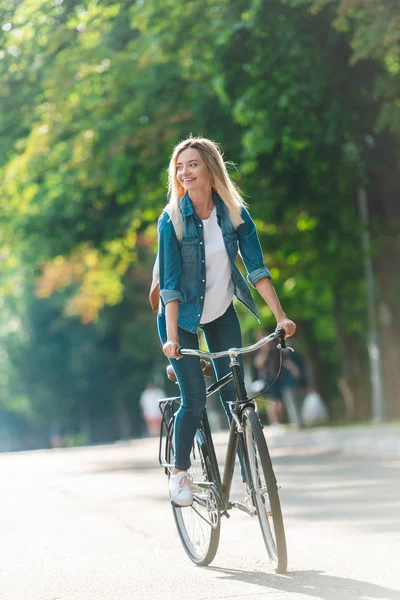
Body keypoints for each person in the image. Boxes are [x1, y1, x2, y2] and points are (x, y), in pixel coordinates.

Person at [155, 137, 296, 506]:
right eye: (180, 166)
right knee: (196, 398)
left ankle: (252, 480)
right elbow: (169, 287)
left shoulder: (234, 214)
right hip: (179, 320)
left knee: (237, 397)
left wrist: (280, 317)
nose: (185, 172)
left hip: (219, 313)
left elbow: (257, 270)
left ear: (210, 169)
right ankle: (180, 472)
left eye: (193, 164)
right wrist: (171, 339)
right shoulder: (171, 220)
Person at [253, 332, 286, 429]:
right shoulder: (259, 349)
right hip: (267, 378)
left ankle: (278, 421)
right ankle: (274, 423)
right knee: (272, 401)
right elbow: (258, 364)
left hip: (278, 377)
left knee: (279, 402)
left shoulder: (275, 346)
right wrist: (264, 351)